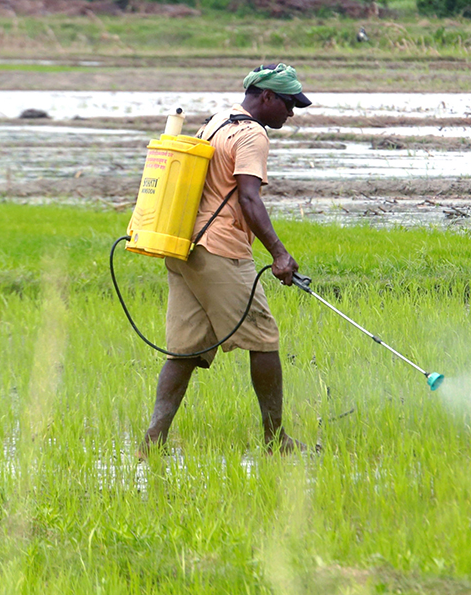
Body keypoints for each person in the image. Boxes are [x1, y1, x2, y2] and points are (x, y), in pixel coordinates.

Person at [142, 63, 313, 455]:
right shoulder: (252, 134)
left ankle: (152, 441)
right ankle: (276, 441)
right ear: (267, 96)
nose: (291, 113)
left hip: (185, 247)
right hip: (221, 250)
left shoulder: (216, 121)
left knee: (185, 350)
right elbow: (249, 198)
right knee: (264, 339)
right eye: (288, 104)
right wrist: (280, 254)